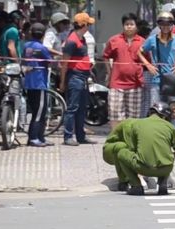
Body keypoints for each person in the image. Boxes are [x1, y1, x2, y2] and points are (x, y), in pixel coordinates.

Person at [117, 102, 175, 196]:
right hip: (165, 169)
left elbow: (132, 148)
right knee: (168, 155)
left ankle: (136, 185)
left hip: (143, 168)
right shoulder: (170, 127)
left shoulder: (138, 124)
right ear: (165, 116)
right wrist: (170, 156)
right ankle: (163, 183)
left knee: (121, 153)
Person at [137, 11, 175, 113]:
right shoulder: (152, 39)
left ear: (172, 25)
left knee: (174, 111)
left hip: (172, 80)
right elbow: (139, 52)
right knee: (156, 111)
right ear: (159, 25)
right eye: (163, 24)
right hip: (156, 80)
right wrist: (148, 65)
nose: (165, 26)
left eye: (168, 24)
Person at [60, 12, 97, 146]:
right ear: (83, 25)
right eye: (88, 24)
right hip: (75, 77)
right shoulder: (71, 41)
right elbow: (64, 63)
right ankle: (68, 136)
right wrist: (62, 82)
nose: (90, 27)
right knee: (72, 108)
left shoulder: (82, 39)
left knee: (82, 108)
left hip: (83, 77)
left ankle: (81, 135)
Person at [103, 13, 145, 129]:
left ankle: (130, 141)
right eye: (126, 24)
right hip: (116, 84)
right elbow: (106, 56)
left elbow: (148, 61)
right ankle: (116, 139)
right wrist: (109, 72)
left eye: (132, 24)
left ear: (136, 26)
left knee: (133, 117)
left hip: (135, 85)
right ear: (123, 26)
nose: (129, 27)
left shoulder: (143, 41)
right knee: (115, 115)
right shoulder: (114, 40)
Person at [24, 23, 53, 147]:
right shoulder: (42, 48)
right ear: (43, 34)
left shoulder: (26, 46)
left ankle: (40, 137)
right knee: (40, 111)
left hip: (29, 82)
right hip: (39, 83)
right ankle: (33, 137)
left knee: (37, 111)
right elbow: (51, 61)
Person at [103, 118, 138, 192]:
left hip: (125, 149)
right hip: (110, 151)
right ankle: (123, 181)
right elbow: (131, 148)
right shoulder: (129, 125)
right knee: (122, 148)